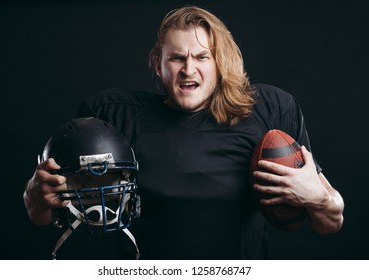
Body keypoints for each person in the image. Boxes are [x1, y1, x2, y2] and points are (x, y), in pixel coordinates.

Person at [23, 6, 344, 259]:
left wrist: (319, 199)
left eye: (202, 57)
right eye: (177, 57)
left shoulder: (269, 110)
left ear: (220, 63)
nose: (189, 69)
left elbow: (331, 223)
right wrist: (37, 195)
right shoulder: (115, 116)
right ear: (157, 64)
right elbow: (42, 214)